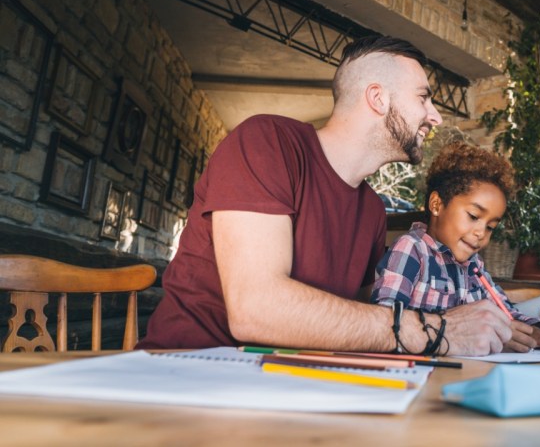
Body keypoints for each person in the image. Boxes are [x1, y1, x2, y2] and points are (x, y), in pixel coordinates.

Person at [138, 36, 514, 355]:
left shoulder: (370, 209)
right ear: (377, 98)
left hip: (291, 386)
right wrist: (434, 331)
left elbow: (356, 320)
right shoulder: (266, 142)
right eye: (423, 98)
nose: (435, 117)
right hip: (189, 373)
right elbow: (256, 310)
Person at [371, 142, 540, 354]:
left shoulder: (475, 267)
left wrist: (537, 333)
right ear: (436, 204)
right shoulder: (411, 250)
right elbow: (387, 318)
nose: (481, 232)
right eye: (473, 216)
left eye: (491, 227)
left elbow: (506, 313)